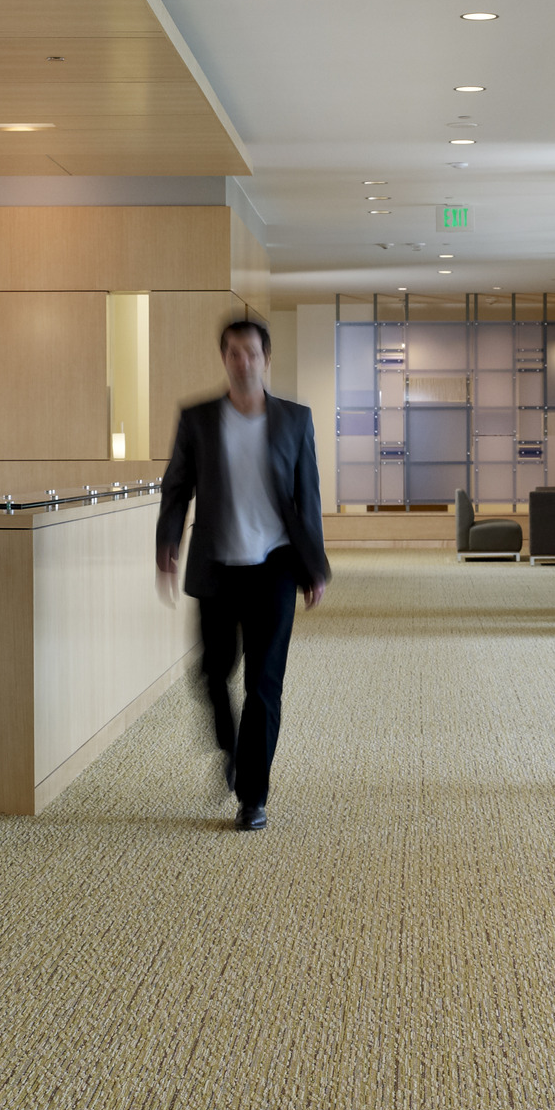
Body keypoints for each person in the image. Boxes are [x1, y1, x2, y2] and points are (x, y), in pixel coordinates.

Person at [157, 315, 330, 831]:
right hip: (217, 567)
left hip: (274, 566)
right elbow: (177, 485)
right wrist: (167, 541)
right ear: (224, 358)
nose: (242, 361)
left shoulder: (295, 421)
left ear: (266, 358)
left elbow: (308, 498)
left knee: (264, 685)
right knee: (212, 673)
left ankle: (253, 796)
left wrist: (314, 566)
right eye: (233, 352)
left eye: (251, 352)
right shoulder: (198, 419)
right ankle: (229, 746)